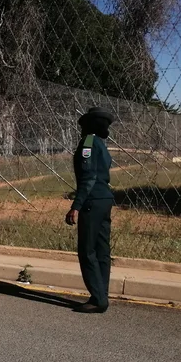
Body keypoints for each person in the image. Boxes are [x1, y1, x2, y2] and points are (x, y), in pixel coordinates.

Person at [66, 107, 115, 314]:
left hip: (92, 201)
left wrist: (76, 206)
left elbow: (88, 176)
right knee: (102, 250)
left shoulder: (87, 143)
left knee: (87, 250)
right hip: (105, 199)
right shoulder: (102, 146)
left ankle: (98, 298)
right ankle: (102, 293)